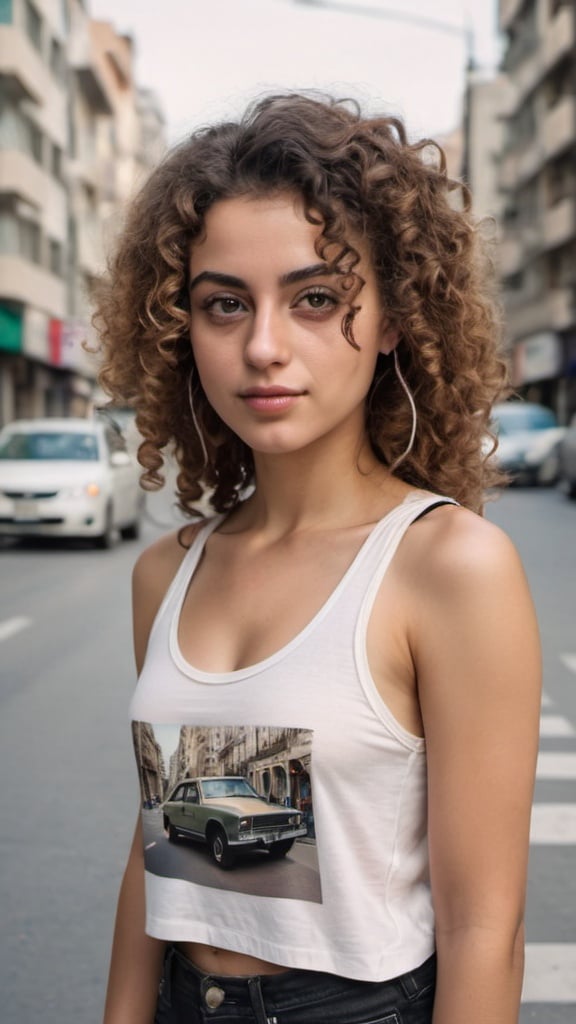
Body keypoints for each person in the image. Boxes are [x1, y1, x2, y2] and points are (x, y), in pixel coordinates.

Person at [95, 93, 541, 1024]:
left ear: (391, 320)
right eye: (225, 304)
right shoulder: (168, 573)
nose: (263, 347)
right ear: (185, 329)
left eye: (315, 299)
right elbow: (168, 846)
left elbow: (482, 931)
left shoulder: (448, 566)